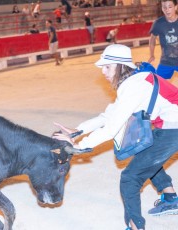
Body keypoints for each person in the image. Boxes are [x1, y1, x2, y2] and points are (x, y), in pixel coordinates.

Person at [53, 44, 178, 230]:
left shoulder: (134, 86)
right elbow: (108, 115)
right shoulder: (133, 81)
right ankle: (170, 198)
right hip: (170, 125)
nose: (103, 72)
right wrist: (78, 131)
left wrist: (79, 146)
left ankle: (136, 227)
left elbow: (111, 128)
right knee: (145, 157)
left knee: (130, 178)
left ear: (121, 65)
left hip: (174, 128)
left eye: (107, 67)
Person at [148, 0, 178, 80]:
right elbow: (152, 39)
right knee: (158, 85)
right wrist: (151, 54)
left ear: (176, 7)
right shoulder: (158, 23)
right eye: (164, 7)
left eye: (170, 7)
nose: (167, 10)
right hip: (166, 61)